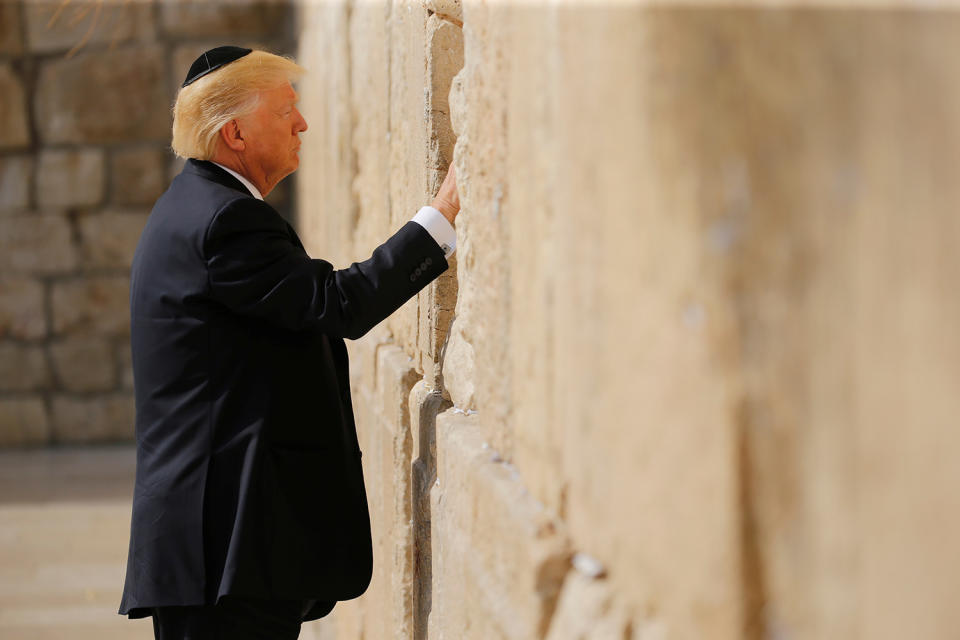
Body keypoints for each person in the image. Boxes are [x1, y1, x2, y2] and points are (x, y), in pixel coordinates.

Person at [118, 46, 460, 640]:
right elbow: (337, 304)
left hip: (218, 544)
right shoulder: (224, 223)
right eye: (286, 110)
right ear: (237, 133)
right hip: (225, 547)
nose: (302, 123)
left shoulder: (195, 208)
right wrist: (446, 210)